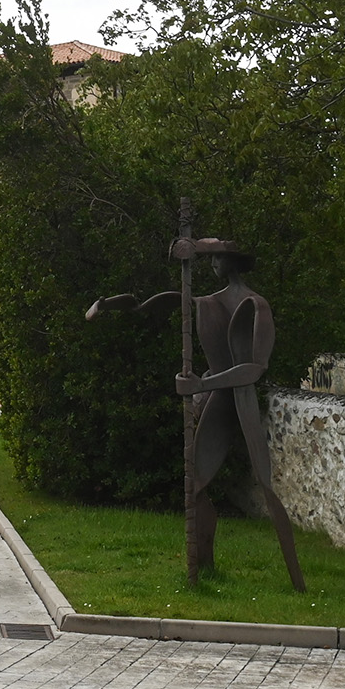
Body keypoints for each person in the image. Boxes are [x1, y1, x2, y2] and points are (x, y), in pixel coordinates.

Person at [87, 240, 305, 591]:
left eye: (216, 258)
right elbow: (165, 302)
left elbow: (254, 369)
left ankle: (297, 580)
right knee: (196, 486)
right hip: (219, 400)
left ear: (230, 262)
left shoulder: (255, 305)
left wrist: (202, 383)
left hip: (240, 400)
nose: (212, 264)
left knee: (265, 485)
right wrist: (113, 305)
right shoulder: (210, 302)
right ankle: (203, 567)